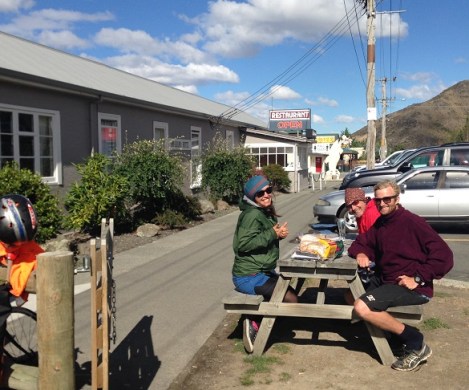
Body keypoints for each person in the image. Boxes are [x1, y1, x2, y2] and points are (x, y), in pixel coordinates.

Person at [347, 180, 453, 372]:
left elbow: (444, 256)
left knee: (361, 307)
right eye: (378, 200)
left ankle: (415, 342)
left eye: (387, 199)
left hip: (413, 286)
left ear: (397, 199)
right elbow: (361, 243)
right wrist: (361, 253)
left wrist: (418, 278)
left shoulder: (412, 222)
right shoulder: (382, 222)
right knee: (349, 294)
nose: (382, 203)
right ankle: (394, 337)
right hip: (387, 280)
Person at [232, 175, 297, 353]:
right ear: (253, 197)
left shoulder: (261, 211)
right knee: (291, 300)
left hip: (262, 271)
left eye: (268, 190)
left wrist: (277, 235)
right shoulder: (252, 214)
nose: (267, 195)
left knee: (290, 294)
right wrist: (272, 235)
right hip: (248, 276)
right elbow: (241, 245)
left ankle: (261, 318)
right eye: (261, 193)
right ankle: (254, 319)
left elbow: (262, 238)